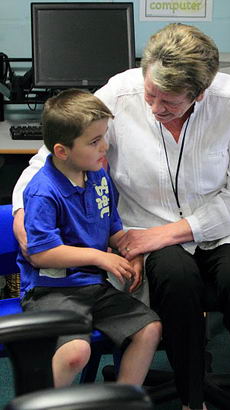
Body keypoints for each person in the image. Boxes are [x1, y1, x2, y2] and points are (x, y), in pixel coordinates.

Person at [12, 23, 230, 409]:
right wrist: (21, 209)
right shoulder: (121, 91)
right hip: (142, 226)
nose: (154, 108)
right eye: (150, 94)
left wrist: (171, 233)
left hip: (221, 226)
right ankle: (191, 399)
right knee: (175, 276)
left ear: (199, 94)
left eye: (168, 102)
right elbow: (47, 158)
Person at [16, 88, 161, 388]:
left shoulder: (97, 175)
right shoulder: (44, 191)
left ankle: (121, 401)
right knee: (75, 352)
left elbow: (113, 230)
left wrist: (128, 251)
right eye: (94, 142)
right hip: (51, 290)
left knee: (149, 329)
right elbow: (41, 254)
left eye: (104, 137)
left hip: (93, 288)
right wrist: (101, 257)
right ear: (61, 151)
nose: (104, 147)